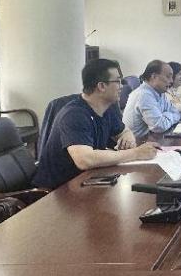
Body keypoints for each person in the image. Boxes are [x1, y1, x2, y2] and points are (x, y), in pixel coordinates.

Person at [32, 59, 157, 189]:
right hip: (55, 190)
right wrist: (136, 153)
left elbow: (124, 131)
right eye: (118, 81)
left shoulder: (107, 108)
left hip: (85, 180)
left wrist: (127, 137)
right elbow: (85, 160)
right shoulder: (74, 114)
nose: (122, 86)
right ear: (101, 86)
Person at [122, 60, 181, 140]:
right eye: (168, 76)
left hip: (151, 139)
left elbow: (176, 113)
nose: (171, 81)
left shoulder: (160, 92)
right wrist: (168, 115)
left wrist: (165, 116)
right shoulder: (143, 95)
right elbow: (159, 126)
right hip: (136, 143)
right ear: (154, 77)